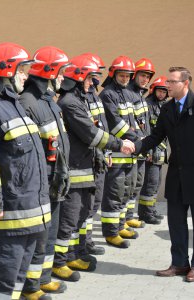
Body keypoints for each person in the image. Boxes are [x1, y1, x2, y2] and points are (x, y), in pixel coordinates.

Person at [0, 42, 51, 300]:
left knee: (19, 273)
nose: (26, 76)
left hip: (32, 207)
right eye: (22, 70)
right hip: (12, 210)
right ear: (7, 71)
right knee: (4, 273)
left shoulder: (16, 105)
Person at [133, 66, 194, 282]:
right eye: (168, 82)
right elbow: (156, 137)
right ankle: (180, 263)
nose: (168, 85)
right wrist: (134, 147)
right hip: (176, 176)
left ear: (185, 83)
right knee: (176, 223)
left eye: (172, 82)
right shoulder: (167, 109)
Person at [53, 55, 135, 281]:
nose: (92, 82)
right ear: (79, 78)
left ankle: (74, 254)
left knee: (81, 214)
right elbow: (91, 132)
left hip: (85, 166)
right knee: (69, 217)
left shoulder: (79, 99)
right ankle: (60, 262)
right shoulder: (69, 102)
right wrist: (120, 144)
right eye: (90, 78)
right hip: (75, 168)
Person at [19, 45, 71, 300]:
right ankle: (30, 286)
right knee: (39, 238)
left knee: (50, 234)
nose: (63, 77)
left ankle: (44, 278)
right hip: (43, 182)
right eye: (61, 72)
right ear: (49, 73)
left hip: (56, 180)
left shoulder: (48, 101)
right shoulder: (28, 103)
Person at [99, 55, 142, 249]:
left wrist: (140, 138)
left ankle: (121, 224)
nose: (125, 78)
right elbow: (115, 123)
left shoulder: (127, 93)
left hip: (130, 151)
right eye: (122, 75)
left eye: (127, 76)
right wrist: (136, 139)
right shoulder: (108, 94)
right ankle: (111, 232)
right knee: (114, 192)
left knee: (128, 189)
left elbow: (136, 121)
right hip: (117, 152)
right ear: (113, 74)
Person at [78, 52, 107, 256]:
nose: (95, 78)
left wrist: (107, 152)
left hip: (99, 156)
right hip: (88, 159)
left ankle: (86, 241)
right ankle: (82, 243)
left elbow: (102, 126)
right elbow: (90, 131)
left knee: (93, 204)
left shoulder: (94, 95)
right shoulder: (79, 99)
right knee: (84, 208)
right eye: (92, 75)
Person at [126, 58, 160, 225]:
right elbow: (129, 124)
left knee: (137, 184)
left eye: (148, 76)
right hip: (130, 147)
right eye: (143, 75)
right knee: (128, 186)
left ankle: (129, 216)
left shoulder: (140, 95)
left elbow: (144, 124)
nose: (145, 79)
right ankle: (124, 218)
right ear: (135, 75)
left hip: (141, 148)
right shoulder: (129, 94)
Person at [139, 76, 169, 223]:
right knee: (150, 183)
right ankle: (145, 214)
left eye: (164, 92)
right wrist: (148, 151)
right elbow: (147, 131)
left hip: (161, 151)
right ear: (153, 90)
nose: (162, 94)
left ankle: (152, 209)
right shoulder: (148, 104)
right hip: (152, 151)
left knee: (156, 183)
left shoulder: (164, 105)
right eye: (159, 91)